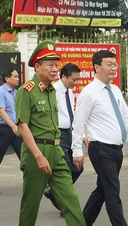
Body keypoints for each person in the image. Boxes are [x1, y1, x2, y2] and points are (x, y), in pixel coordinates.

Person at [15, 40, 85, 226]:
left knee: (70, 200)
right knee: (30, 204)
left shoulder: (52, 91)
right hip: (36, 152)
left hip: (56, 151)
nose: (55, 69)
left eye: (57, 65)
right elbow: (23, 126)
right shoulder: (26, 91)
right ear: (37, 66)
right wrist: (38, 156)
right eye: (50, 65)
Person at [71, 50, 128, 226]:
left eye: (115, 64)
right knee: (112, 193)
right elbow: (78, 124)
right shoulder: (89, 93)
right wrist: (77, 151)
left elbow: (126, 117)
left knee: (103, 189)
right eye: (109, 64)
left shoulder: (115, 90)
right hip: (101, 150)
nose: (114, 68)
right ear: (96, 67)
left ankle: (82, 222)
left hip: (117, 150)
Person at [43, 63, 84, 213]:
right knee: (66, 169)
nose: (76, 82)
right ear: (64, 76)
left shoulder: (69, 91)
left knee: (78, 168)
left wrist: (82, 135)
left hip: (70, 133)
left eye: (78, 79)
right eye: (74, 79)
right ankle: (66, 205)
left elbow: (71, 113)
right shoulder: (53, 91)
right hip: (59, 134)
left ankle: (53, 192)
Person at [0, 68, 23, 195]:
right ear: (7, 78)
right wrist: (13, 126)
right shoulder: (0, 92)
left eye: (17, 76)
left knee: (25, 156)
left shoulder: (17, 92)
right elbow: (1, 111)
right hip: (3, 130)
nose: (17, 78)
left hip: (16, 130)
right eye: (14, 76)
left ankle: (34, 182)